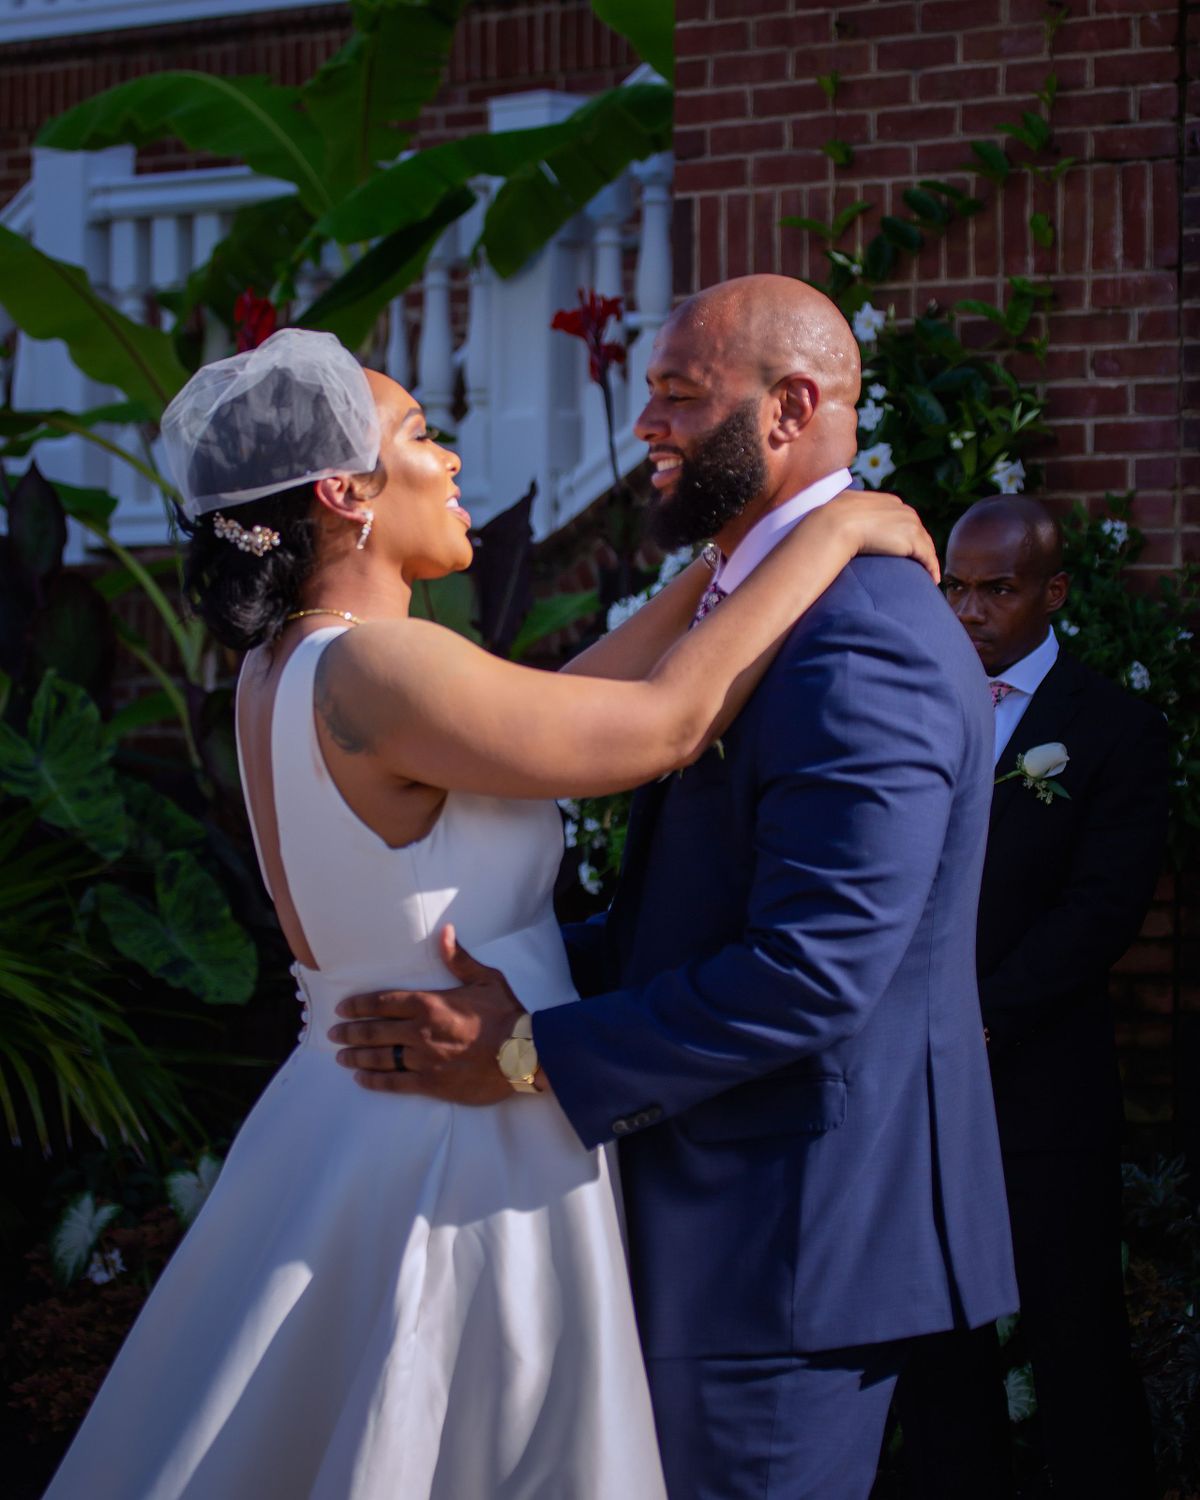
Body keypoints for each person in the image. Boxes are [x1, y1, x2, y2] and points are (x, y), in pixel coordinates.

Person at [41, 327, 938, 1500]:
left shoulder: (294, 665)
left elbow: (563, 706)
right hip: (457, 1136)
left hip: (358, 1110)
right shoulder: (380, 669)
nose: (453, 459)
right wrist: (835, 529)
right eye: (421, 435)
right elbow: (660, 728)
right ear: (344, 493)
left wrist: (712, 574)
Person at [329, 275, 1020, 1500]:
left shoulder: (859, 632)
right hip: (722, 1220)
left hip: (785, 1241)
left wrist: (529, 1049)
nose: (647, 424)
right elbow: (692, 907)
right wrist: (532, 979)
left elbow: (815, 970)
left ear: (790, 407)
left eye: (680, 398)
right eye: (649, 393)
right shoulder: (762, 605)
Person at [896, 496, 1167, 1500]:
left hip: (1042, 1082)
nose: (968, 611)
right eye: (954, 588)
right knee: (937, 1342)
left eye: (996, 589)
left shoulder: (1115, 732)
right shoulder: (909, 711)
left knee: (1076, 1332)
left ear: (1052, 592)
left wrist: (979, 1017)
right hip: (916, 1082)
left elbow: (1101, 915)